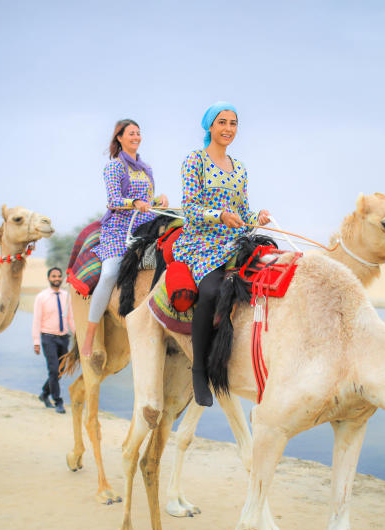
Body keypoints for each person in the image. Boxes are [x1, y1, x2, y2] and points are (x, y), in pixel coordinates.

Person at [172, 102, 270, 407]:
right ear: (210, 127)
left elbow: (243, 211)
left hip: (234, 239)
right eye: (222, 122)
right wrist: (220, 216)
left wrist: (257, 218)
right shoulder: (195, 161)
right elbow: (190, 210)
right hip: (201, 240)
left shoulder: (239, 168)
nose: (228, 129)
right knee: (212, 290)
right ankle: (199, 370)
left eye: (233, 123)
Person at [81, 118, 169, 362]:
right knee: (110, 272)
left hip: (145, 226)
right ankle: (89, 333)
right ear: (119, 137)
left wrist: (158, 200)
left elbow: (148, 201)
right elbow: (112, 200)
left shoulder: (146, 168)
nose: (136, 137)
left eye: (138, 133)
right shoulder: (114, 167)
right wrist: (134, 203)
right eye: (131, 133)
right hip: (119, 229)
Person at [32, 267, 75, 413]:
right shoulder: (41, 297)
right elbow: (36, 321)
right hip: (48, 338)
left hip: (64, 338)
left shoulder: (66, 296)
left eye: (59, 276)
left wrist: (77, 335)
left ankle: (44, 394)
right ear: (49, 278)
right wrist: (36, 342)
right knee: (53, 369)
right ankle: (58, 401)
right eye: (54, 276)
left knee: (60, 370)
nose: (57, 278)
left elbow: (70, 318)